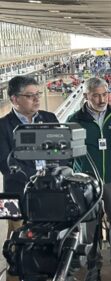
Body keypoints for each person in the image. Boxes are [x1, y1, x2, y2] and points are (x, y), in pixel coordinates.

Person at [66, 77, 111, 279]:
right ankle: (94, 268)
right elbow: (68, 154)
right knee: (91, 228)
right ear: (86, 96)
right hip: (86, 185)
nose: (102, 99)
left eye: (105, 94)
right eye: (96, 95)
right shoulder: (74, 120)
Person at [0, 76, 58, 238]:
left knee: (49, 238)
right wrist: (39, 178)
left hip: (50, 191)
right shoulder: (2, 126)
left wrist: (52, 177)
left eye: (38, 94)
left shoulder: (49, 119)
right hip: (15, 194)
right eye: (30, 95)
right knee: (16, 241)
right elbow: (6, 165)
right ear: (14, 99)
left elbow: (62, 153)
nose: (36, 99)